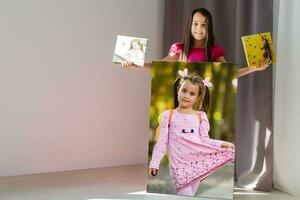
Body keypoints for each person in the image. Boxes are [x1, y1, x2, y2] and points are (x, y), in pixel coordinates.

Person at [149, 68, 235, 196]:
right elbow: (162, 142)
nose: (186, 96)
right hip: (179, 167)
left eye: (192, 93)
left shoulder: (200, 116)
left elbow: (205, 140)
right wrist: (154, 163)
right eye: (184, 90)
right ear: (178, 90)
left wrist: (222, 144)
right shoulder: (169, 115)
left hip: (196, 164)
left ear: (198, 97)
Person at [122, 7, 270, 77]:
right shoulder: (179, 48)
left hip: (203, 101)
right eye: (195, 23)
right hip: (180, 100)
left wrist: (253, 68)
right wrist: (135, 64)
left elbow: (230, 73)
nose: (199, 28)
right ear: (190, 25)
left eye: (204, 25)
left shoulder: (215, 51)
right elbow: (158, 66)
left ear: (209, 27)